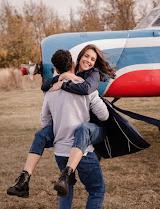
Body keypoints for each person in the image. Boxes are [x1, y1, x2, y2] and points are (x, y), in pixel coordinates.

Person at [7, 45, 115, 199]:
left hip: (67, 144)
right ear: (74, 63)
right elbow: (103, 115)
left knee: (44, 134)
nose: (89, 61)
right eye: (86, 57)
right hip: (82, 143)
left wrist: (62, 84)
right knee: (97, 190)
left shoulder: (55, 90)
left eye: (92, 59)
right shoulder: (81, 86)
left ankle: (25, 177)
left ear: (56, 70)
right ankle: (53, 175)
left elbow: (45, 119)